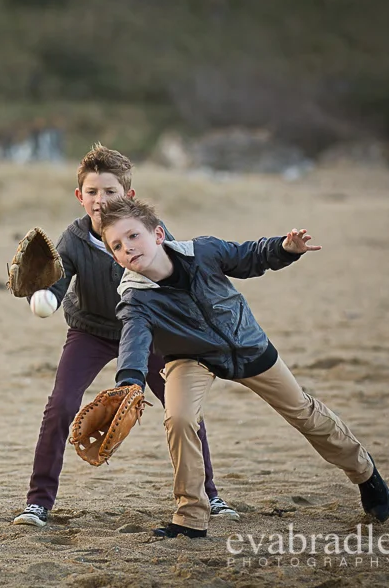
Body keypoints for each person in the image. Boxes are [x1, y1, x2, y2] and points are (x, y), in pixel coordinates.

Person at [99, 196, 389, 538]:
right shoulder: (135, 299)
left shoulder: (204, 251)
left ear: (158, 235)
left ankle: (364, 472)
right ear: (115, 257)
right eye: (117, 246)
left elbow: (249, 256)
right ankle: (190, 517)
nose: (127, 247)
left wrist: (284, 249)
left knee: (303, 412)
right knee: (178, 419)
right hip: (189, 356)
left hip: (245, 344)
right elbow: (133, 341)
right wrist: (129, 381)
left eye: (133, 236)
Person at [12, 144, 238, 528]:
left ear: (128, 195)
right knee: (61, 405)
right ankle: (38, 503)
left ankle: (209, 496)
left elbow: (179, 278)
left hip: (150, 331)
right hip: (91, 331)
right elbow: (58, 282)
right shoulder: (74, 239)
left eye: (110, 191)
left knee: (183, 411)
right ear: (79, 196)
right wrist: (43, 294)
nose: (100, 200)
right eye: (92, 192)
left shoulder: (147, 231)